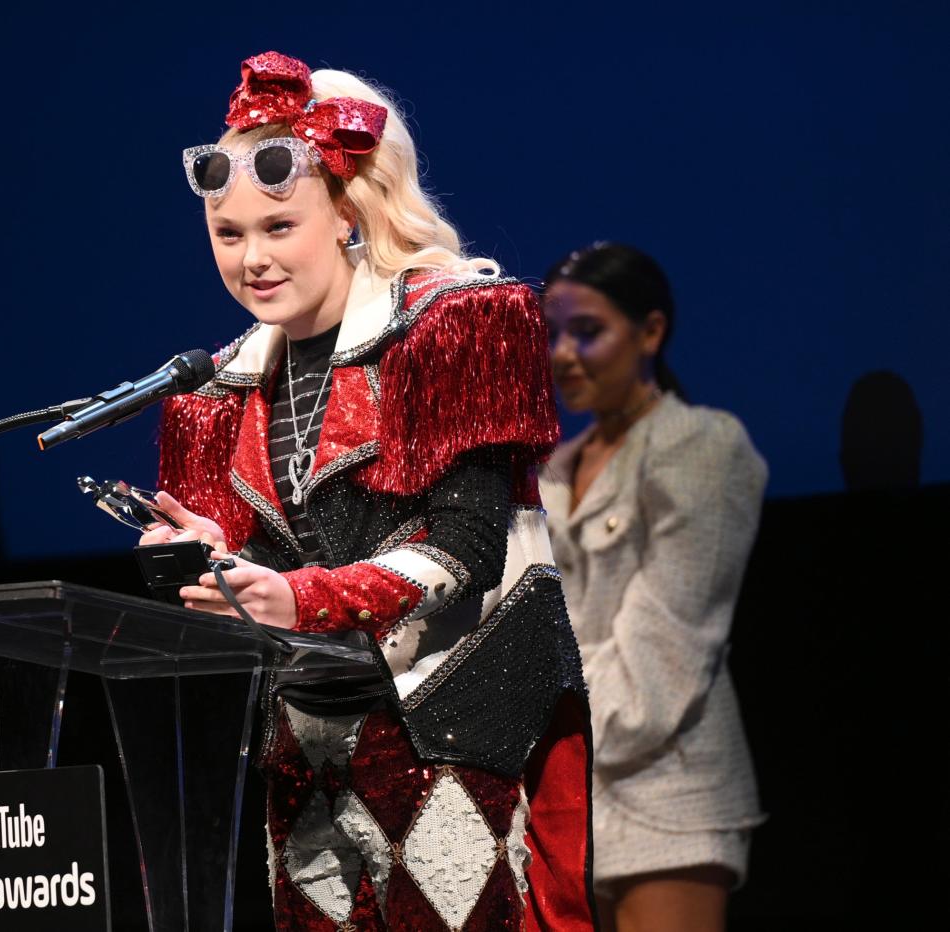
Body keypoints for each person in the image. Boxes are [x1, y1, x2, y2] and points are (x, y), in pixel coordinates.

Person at [140, 51, 595, 930]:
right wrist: (207, 559)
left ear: (347, 216)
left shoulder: (452, 324)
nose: (252, 258)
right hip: (308, 748)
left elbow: (466, 547)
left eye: (279, 227)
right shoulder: (214, 388)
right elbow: (262, 579)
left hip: (451, 732)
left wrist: (297, 597)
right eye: (229, 234)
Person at [539, 242, 765, 932]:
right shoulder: (552, 467)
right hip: (565, 795)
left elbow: (667, 644)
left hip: (667, 787)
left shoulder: (700, 445)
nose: (563, 354)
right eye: (553, 334)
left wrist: (552, 743)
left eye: (588, 331)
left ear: (652, 332)